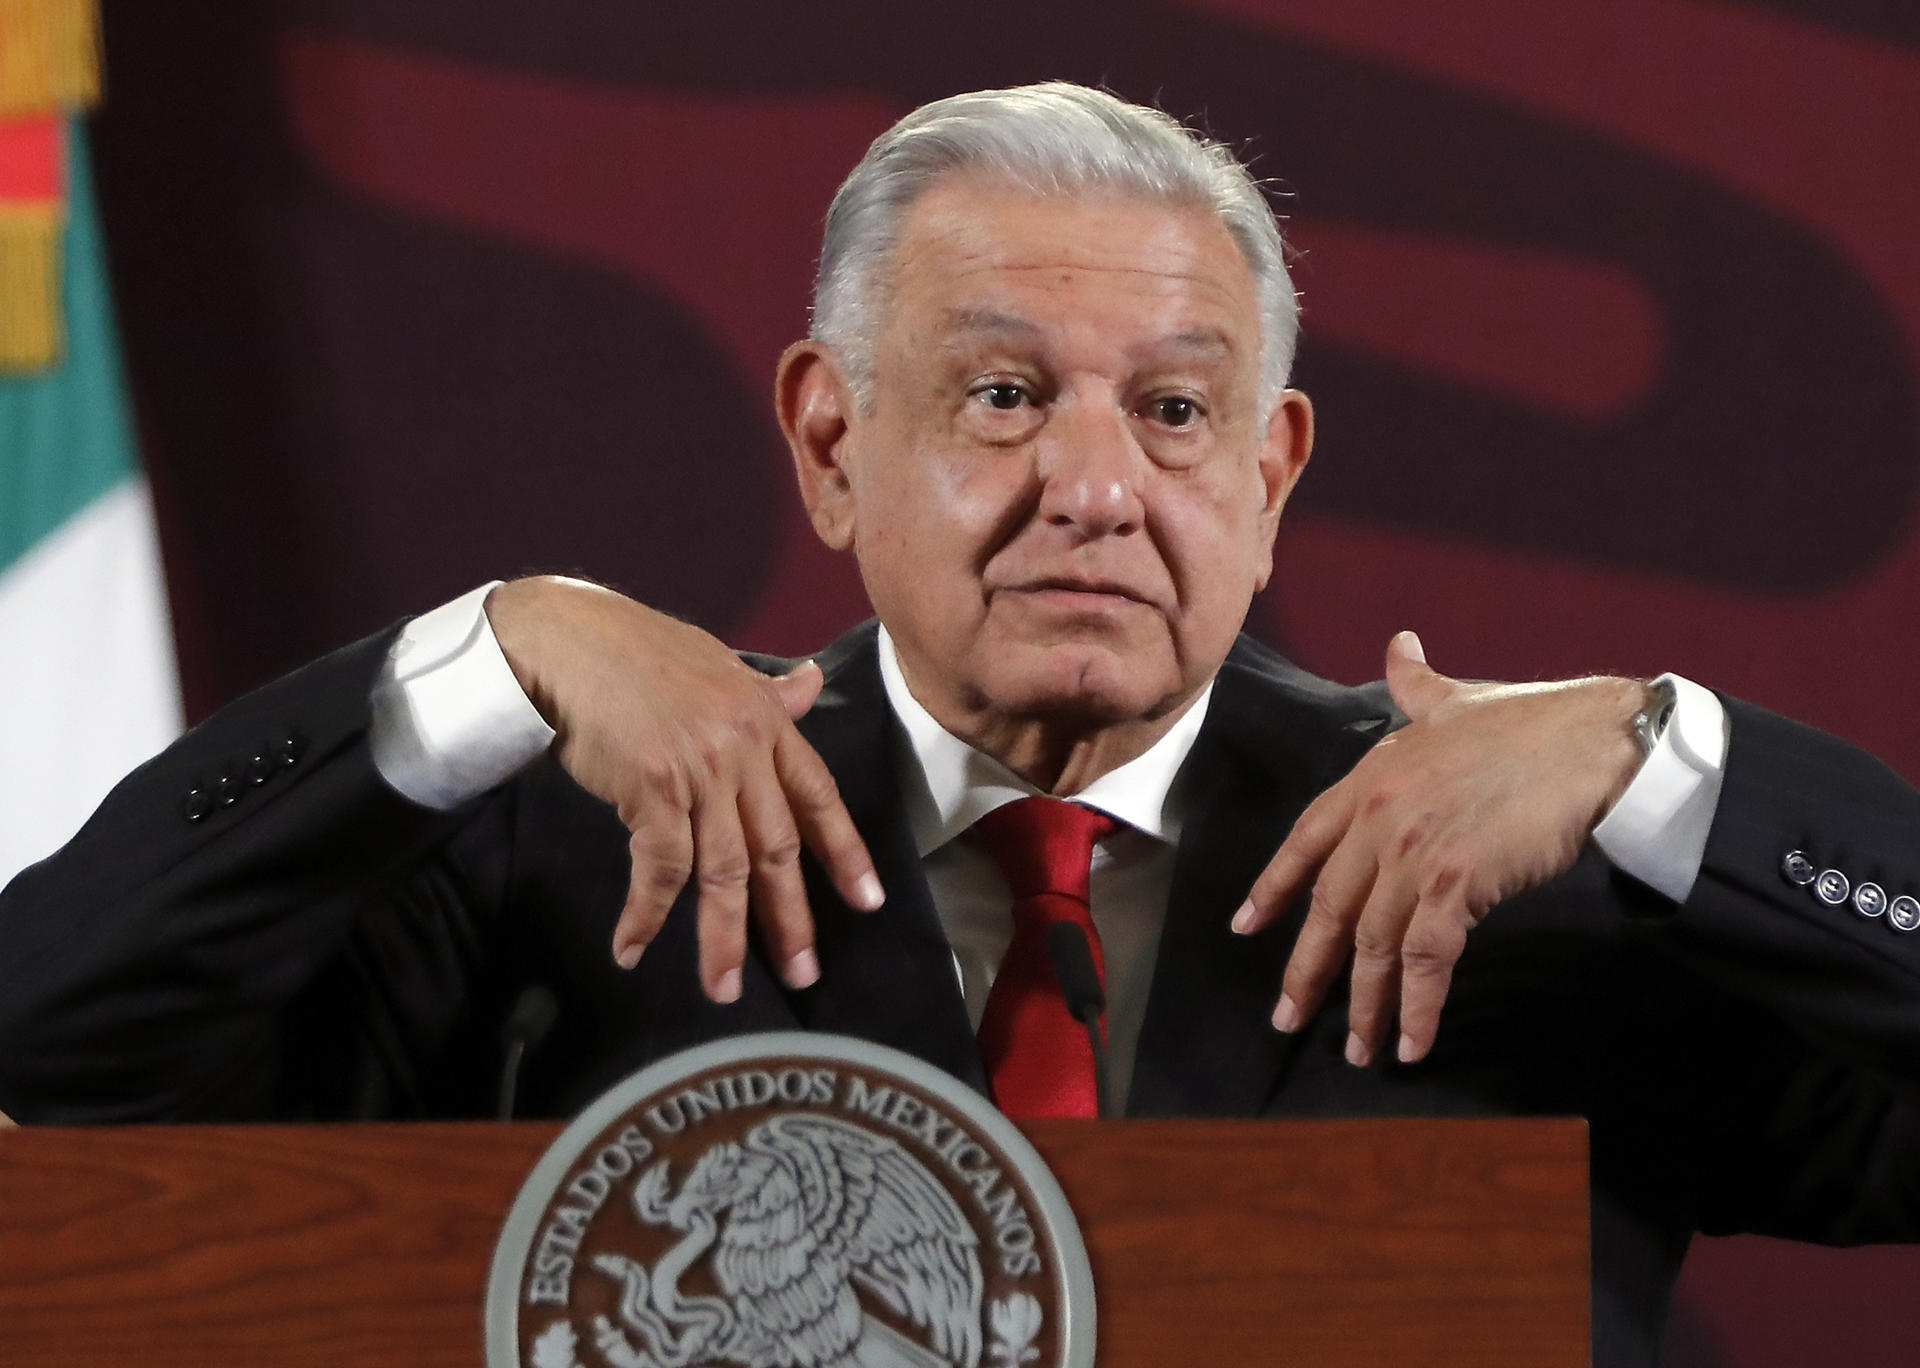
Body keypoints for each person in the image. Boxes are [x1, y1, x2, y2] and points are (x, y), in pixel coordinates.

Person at [0, 84, 1915, 1367]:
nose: (1095, 486)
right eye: (1003, 394)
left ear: (1271, 471)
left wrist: (1671, 769)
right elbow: (61, 1036)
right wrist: (491, 663)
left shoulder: (1535, 880)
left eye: (1174, 414)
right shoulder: (564, 853)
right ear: (831, 442)